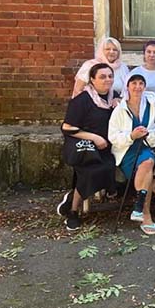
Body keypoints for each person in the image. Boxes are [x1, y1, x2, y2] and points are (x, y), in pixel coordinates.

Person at [58, 63, 119, 231]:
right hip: (84, 145)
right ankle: (73, 211)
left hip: (105, 147)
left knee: (108, 167)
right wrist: (94, 137)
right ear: (92, 80)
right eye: (102, 76)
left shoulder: (115, 98)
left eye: (110, 76)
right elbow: (67, 127)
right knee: (89, 171)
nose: (107, 80)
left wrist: (120, 105)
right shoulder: (82, 100)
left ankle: (72, 198)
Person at [108, 74, 155, 235]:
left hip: (148, 146)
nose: (137, 87)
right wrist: (131, 136)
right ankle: (141, 209)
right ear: (127, 86)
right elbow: (112, 136)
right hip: (127, 150)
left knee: (147, 163)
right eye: (134, 83)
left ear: (145, 87)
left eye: (141, 83)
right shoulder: (120, 109)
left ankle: (143, 212)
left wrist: (147, 134)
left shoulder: (153, 105)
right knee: (144, 171)